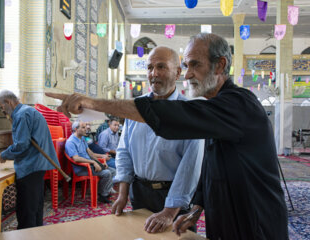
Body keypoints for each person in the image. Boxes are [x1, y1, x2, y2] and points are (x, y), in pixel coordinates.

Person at [45, 32, 289, 240]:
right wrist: (196, 210)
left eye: (195, 65)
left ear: (220, 65)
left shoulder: (238, 105)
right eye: (187, 65)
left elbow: (173, 118)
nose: (189, 73)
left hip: (254, 222)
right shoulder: (215, 109)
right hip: (224, 218)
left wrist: (93, 103)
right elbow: (211, 168)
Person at [111, 46, 204, 233]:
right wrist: (123, 193)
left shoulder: (190, 113)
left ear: (177, 72)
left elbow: (191, 166)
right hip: (140, 192)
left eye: (161, 67)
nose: (154, 73)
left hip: (174, 197)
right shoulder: (136, 108)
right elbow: (124, 152)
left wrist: (170, 212)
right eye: (149, 67)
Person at [0, 90, 60, 229]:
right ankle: (35, 233)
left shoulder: (21, 115)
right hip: (38, 165)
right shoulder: (29, 111)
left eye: (2, 107)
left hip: (30, 166)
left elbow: (21, 145)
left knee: (26, 210)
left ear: (8, 102)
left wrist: (4, 155)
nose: (3, 112)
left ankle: (27, 235)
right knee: (35, 206)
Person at [65, 121, 116, 203]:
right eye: (83, 127)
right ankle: (103, 195)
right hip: (82, 168)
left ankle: (102, 192)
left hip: (90, 165)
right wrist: (93, 162)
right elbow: (76, 158)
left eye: (85, 127)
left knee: (113, 171)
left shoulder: (82, 139)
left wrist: (101, 161)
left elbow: (91, 153)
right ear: (76, 129)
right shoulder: (70, 142)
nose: (86, 129)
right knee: (107, 173)